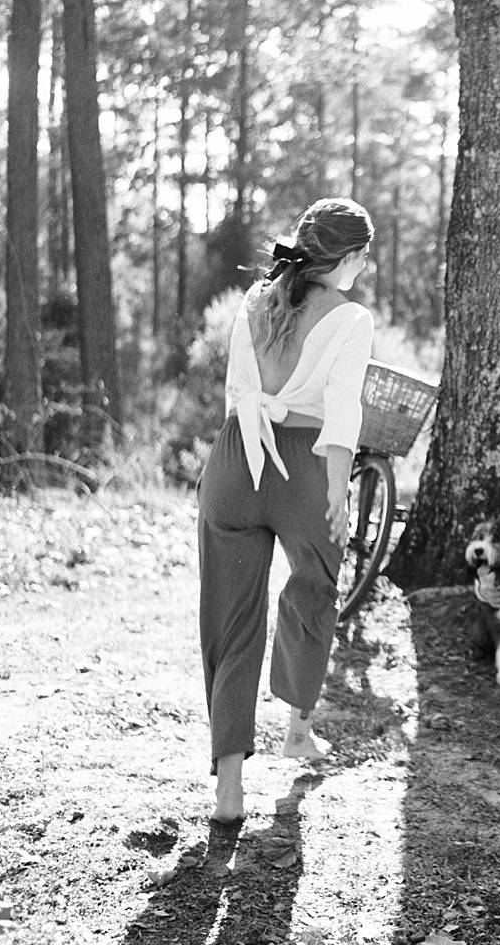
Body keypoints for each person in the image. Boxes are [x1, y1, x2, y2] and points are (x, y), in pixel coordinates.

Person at [197, 197, 375, 823]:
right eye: (363, 258)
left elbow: (236, 393)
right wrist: (335, 491)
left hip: (236, 458)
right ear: (349, 257)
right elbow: (344, 411)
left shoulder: (255, 302)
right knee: (312, 594)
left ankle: (228, 788)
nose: (363, 270)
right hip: (304, 467)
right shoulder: (352, 318)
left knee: (229, 618)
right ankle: (297, 729)